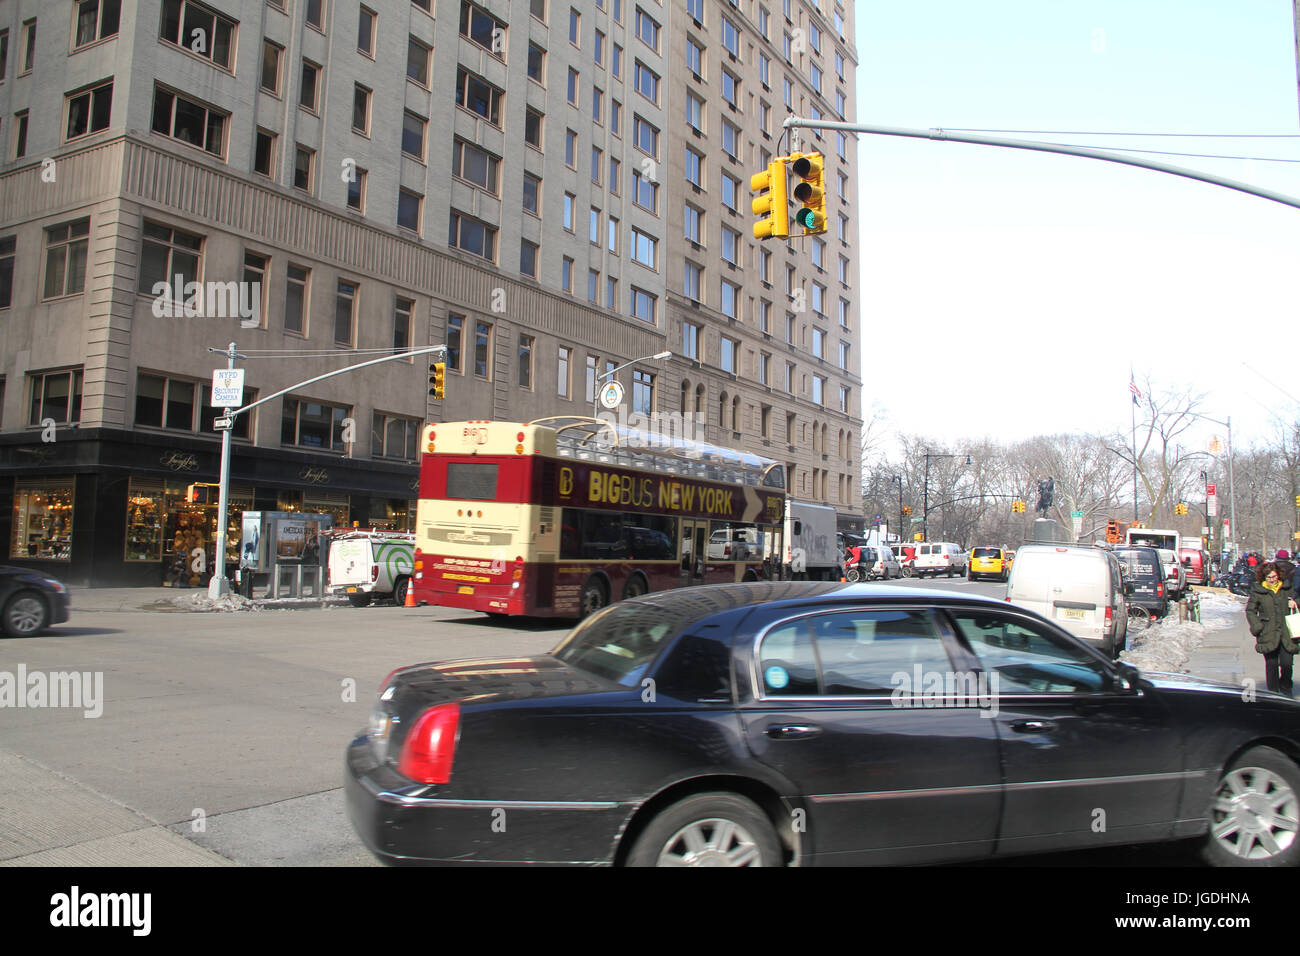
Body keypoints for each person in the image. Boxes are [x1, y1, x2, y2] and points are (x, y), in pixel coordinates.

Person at [1245, 562, 1297, 697]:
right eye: (1269, 577)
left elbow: (1297, 598)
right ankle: (1273, 693)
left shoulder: (1286, 588)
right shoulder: (1258, 591)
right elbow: (1251, 610)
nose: (1272, 580)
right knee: (1271, 664)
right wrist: (1257, 626)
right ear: (1264, 578)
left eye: (1274, 577)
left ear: (1278, 575)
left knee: (1286, 664)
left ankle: (1286, 688)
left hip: (1286, 632)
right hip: (1268, 632)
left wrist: (1295, 602)